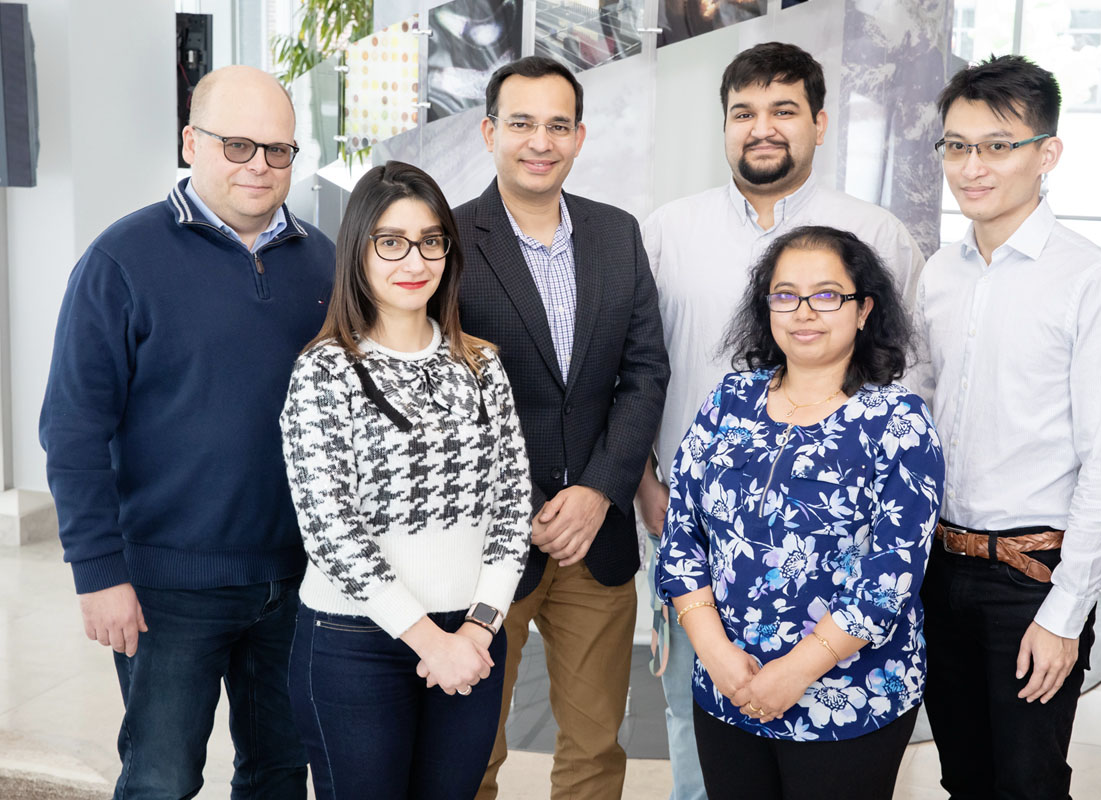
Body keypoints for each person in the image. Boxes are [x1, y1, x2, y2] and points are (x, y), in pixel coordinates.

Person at [636, 41, 925, 799]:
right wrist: (645, 486)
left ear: (820, 124)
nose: (762, 128)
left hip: (844, 645)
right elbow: (635, 371)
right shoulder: (669, 231)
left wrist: (803, 665)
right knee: (693, 754)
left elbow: (913, 383)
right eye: (744, 113)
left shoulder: (878, 234)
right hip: (698, 554)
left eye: (784, 111)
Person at [39, 66, 333, 798]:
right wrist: (99, 574)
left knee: (278, 771)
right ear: (190, 142)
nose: (259, 166)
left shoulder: (326, 261)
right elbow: (72, 431)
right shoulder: (121, 261)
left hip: (297, 579)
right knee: (162, 778)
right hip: (167, 586)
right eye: (237, 145)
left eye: (278, 149)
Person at [912, 55, 1101, 800]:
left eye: (997, 145)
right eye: (956, 145)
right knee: (963, 778)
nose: (972, 166)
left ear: (1047, 153)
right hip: (937, 568)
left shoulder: (1091, 279)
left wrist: (1066, 613)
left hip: (1030, 579)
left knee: (1028, 784)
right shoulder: (938, 274)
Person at [656, 225, 944, 800]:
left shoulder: (898, 422)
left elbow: (888, 581)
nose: (804, 312)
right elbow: (681, 532)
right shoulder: (728, 400)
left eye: (827, 295)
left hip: (851, 697)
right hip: (726, 687)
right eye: (785, 295)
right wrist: (715, 654)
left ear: (863, 310)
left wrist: (793, 673)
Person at [454, 56, 669, 800]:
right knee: (470, 753)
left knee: (594, 750)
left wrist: (599, 492)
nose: (538, 142)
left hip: (595, 538)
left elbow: (645, 374)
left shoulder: (616, 234)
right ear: (490, 132)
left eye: (556, 125)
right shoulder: (447, 243)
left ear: (579, 137)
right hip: (481, 546)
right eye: (521, 123)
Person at [280, 160, 531, 799]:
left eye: (430, 240)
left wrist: (476, 629)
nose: (413, 260)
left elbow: (510, 507)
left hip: (472, 636)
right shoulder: (324, 373)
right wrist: (430, 641)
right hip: (353, 642)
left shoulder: (480, 365)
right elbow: (332, 531)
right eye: (390, 242)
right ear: (357, 252)